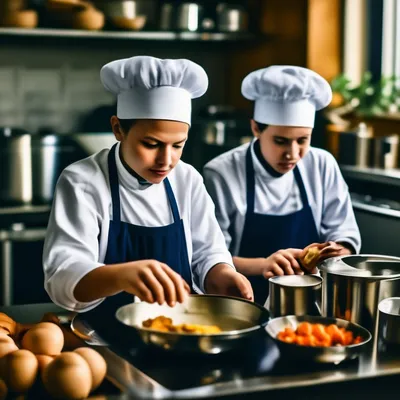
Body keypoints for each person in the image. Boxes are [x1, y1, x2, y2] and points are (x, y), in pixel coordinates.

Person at [43, 56, 253, 313]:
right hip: (105, 335)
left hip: (182, 327)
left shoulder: (187, 179)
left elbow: (207, 251)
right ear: (118, 129)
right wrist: (122, 276)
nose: (166, 161)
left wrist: (220, 273)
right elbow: (63, 275)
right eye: (152, 144)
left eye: (178, 146)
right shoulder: (82, 182)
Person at [203, 65, 361, 305]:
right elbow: (210, 257)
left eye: (302, 140)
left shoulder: (322, 164)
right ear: (256, 128)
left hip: (313, 300)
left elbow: (345, 233)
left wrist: (336, 250)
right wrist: (264, 264)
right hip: (244, 302)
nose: (293, 153)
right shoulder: (222, 173)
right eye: (280, 141)